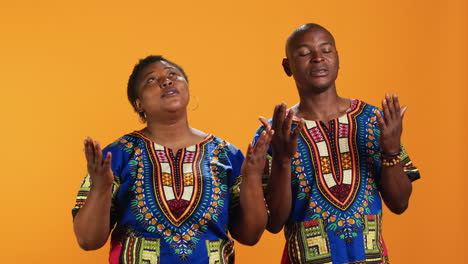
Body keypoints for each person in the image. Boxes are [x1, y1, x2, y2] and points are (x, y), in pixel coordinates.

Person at [72, 55, 272, 264]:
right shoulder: (116, 156)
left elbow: (250, 236)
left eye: (173, 75)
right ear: (139, 103)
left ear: (187, 88)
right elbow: (88, 240)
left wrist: (253, 177)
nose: (166, 81)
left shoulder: (227, 155)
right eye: (151, 80)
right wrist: (100, 188)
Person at [255, 24, 420, 264]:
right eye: (304, 53)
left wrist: (391, 150)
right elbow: (274, 222)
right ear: (287, 66)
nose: (318, 58)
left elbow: (400, 203)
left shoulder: (374, 120)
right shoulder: (275, 131)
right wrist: (282, 160)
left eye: (327, 50)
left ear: (338, 59)